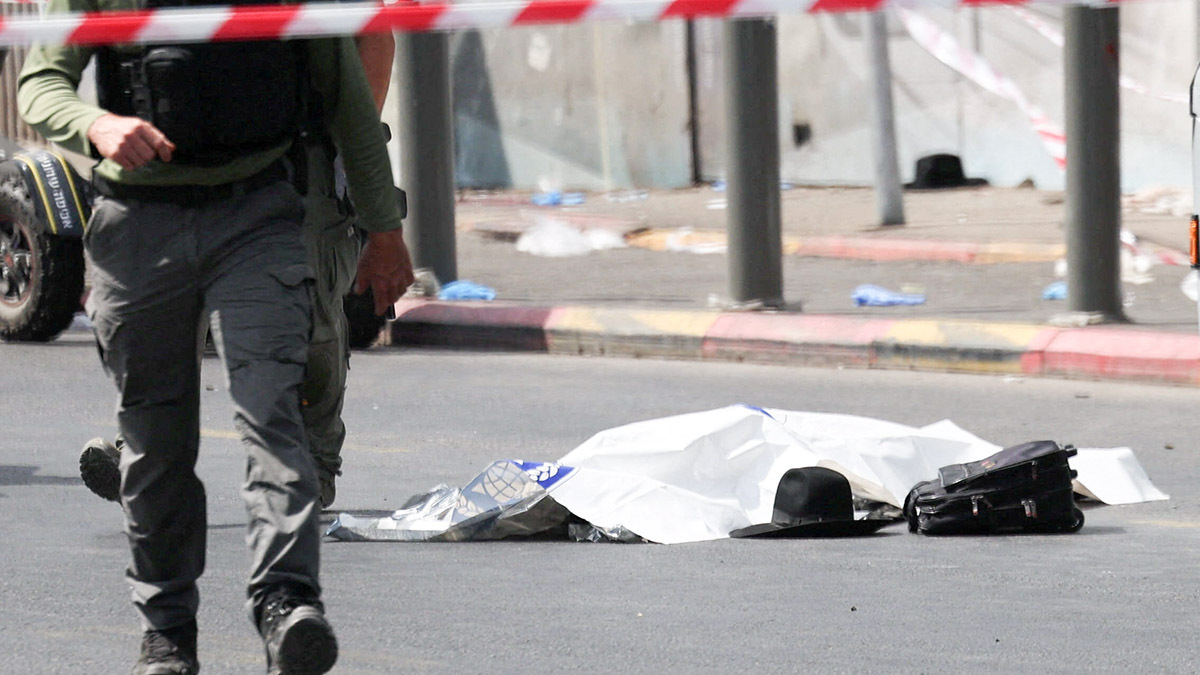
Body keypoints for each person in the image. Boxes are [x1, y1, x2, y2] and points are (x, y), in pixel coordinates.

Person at [18, 1, 413, 672]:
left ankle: (286, 601)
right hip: (138, 220)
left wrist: (385, 228)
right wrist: (97, 124)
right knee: (154, 442)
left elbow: (351, 89)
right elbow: (41, 82)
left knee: (273, 410)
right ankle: (167, 632)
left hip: (257, 210)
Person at [77, 32, 402, 511]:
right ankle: (143, 457)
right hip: (187, 150)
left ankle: (312, 460)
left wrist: (348, 137)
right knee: (166, 308)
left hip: (302, 150)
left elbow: (373, 32)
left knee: (309, 307)